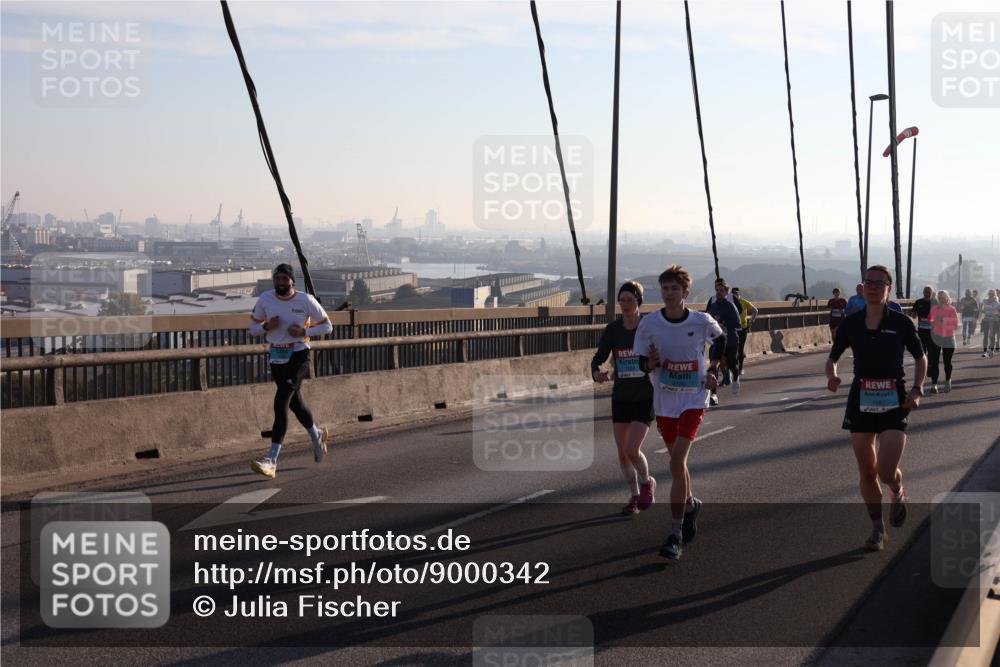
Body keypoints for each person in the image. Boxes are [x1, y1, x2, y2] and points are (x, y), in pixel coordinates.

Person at [826, 265, 926, 552]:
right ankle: (878, 529)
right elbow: (832, 357)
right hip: (861, 399)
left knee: (885, 470)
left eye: (879, 283)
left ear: (888, 288)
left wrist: (917, 389)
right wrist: (832, 374)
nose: (872, 287)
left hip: (895, 399)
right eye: (868, 282)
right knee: (867, 472)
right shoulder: (851, 323)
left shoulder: (901, 322)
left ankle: (897, 489)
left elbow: (921, 359)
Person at [634, 265, 725, 560]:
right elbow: (640, 363)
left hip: (694, 399)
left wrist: (713, 370)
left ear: (686, 293)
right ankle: (690, 504)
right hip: (665, 401)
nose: (669, 294)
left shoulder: (701, 321)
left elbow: (722, 341)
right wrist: (650, 364)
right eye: (665, 289)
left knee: (676, 462)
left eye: (675, 289)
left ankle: (675, 533)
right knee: (677, 463)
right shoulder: (649, 324)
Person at [248, 263, 332, 479]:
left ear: (292, 281)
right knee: (296, 403)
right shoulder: (265, 299)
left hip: (299, 355)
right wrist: (266, 327)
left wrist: (304, 330)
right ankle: (317, 434)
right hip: (277, 356)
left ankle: (271, 460)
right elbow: (253, 328)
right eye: (277, 279)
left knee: (281, 400)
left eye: (285, 279)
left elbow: (327, 326)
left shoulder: (305, 300)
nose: (281, 283)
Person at [591, 281, 657, 515]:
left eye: (630, 299)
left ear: (639, 301)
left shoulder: (649, 327)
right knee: (622, 452)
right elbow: (597, 358)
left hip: (645, 394)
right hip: (621, 395)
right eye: (622, 300)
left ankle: (647, 482)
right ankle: (634, 496)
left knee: (632, 449)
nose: (625, 304)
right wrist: (597, 372)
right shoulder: (613, 330)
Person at [706, 278, 742, 400]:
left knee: (732, 364)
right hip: (717, 341)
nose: (718, 292)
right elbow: (707, 318)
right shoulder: (713, 305)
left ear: (727, 292)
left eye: (721, 290)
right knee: (713, 365)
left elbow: (738, 324)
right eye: (717, 290)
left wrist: (723, 322)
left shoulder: (731, 306)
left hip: (731, 340)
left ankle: (736, 379)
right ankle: (713, 394)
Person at [911, 286, 939, 392]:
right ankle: (920, 384)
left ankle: (934, 385)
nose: (927, 293)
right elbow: (913, 314)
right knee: (921, 356)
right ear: (923, 292)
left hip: (934, 334)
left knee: (933, 358)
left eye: (929, 291)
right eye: (925, 291)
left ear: (932, 293)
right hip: (922, 333)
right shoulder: (918, 302)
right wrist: (913, 314)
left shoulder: (936, 302)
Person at [929, 291, 959, 393]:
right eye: (940, 297)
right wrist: (933, 320)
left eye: (944, 297)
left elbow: (955, 326)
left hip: (949, 337)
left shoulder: (952, 309)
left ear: (947, 298)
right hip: (936, 337)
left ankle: (947, 381)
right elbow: (930, 320)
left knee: (947, 362)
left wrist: (944, 321)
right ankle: (934, 385)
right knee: (934, 362)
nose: (942, 299)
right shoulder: (934, 309)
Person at [730, 287, 758, 379]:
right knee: (739, 348)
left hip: (736, 328)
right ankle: (739, 368)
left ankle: (737, 367)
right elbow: (755, 311)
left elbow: (755, 310)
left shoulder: (730, 302)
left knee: (736, 348)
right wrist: (752, 321)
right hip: (741, 328)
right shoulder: (743, 301)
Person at [982, 290, 1000, 358]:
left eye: (992, 294)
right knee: (985, 335)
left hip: (994, 320)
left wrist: (996, 313)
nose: (991, 295)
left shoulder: (997, 303)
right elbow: (982, 309)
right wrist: (982, 312)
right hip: (986, 319)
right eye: (990, 294)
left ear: (995, 295)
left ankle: (991, 350)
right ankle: (985, 351)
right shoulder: (985, 301)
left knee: (992, 335)